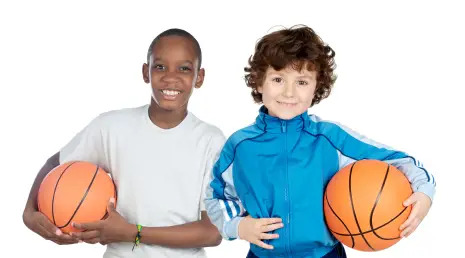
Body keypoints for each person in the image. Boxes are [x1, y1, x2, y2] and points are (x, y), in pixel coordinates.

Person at [205, 25, 435, 258]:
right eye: (278, 79)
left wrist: (424, 192)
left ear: (316, 87)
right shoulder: (239, 146)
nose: (289, 92)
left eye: (302, 82)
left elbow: (399, 161)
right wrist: (239, 227)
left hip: (325, 255)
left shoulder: (330, 138)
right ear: (259, 83)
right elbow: (216, 197)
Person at [22, 28, 224, 258]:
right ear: (145, 72)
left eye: (184, 68)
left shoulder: (211, 141)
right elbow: (55, 164)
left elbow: (213, 231)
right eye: (160, 66)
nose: (171, 77)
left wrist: (132, 233)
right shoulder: (111, 127)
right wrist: (30, 212)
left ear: (199, 77)